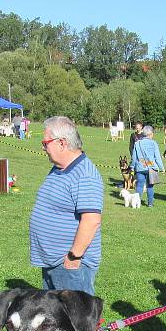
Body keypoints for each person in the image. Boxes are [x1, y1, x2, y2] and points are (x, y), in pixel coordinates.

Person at [29, 116, 104, 294]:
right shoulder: (59, 168)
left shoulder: (85, 175)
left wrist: (73, 256)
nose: (43, 148)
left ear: (61, 143)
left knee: (75, 319)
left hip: (70, 265)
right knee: (54, 319)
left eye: (45, 143)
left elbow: (91, 220)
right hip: (53, 261)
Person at [131, 125, 164, 207]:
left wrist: (132, 167)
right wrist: (162, 168)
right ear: (151, 134)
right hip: (151, 168)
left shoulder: (137, 143)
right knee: (150, 186)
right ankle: (150, 203)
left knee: (139, 185)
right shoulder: (154, 143)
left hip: (140, 167)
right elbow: (157, 157)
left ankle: (136, 203)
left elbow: (134, 157)